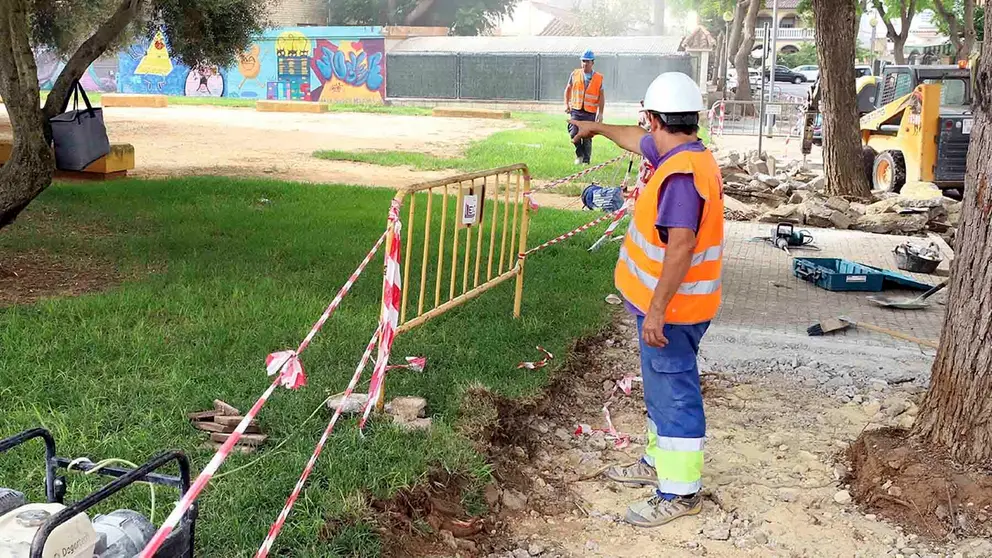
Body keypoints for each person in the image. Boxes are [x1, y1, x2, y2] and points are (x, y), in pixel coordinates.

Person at [569, 72, 723, 528]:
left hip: (673, 312)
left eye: (647, 122)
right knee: (659, 388)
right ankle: (658, 462)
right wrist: (597, 128)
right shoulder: (683, 152)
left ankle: (681, 492)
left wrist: (656, 312)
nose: (643, 132)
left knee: (674, 393)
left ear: (654, 118)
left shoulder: (681, 177)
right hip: (669, 307)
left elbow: (681, 248)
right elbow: (637, 141)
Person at [564, 50, 605, 165]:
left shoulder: (598, 78)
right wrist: (567, 104)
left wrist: (600, 113)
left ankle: (586, 161)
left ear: (592, 63)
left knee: (587, 137)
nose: (585, 64)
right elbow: (568, 89)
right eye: (583, 61)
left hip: (590, 112)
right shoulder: (574, 74)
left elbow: (601, 96)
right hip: (576, 110)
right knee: (573, 133)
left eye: (587, 61)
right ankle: (579, 155)